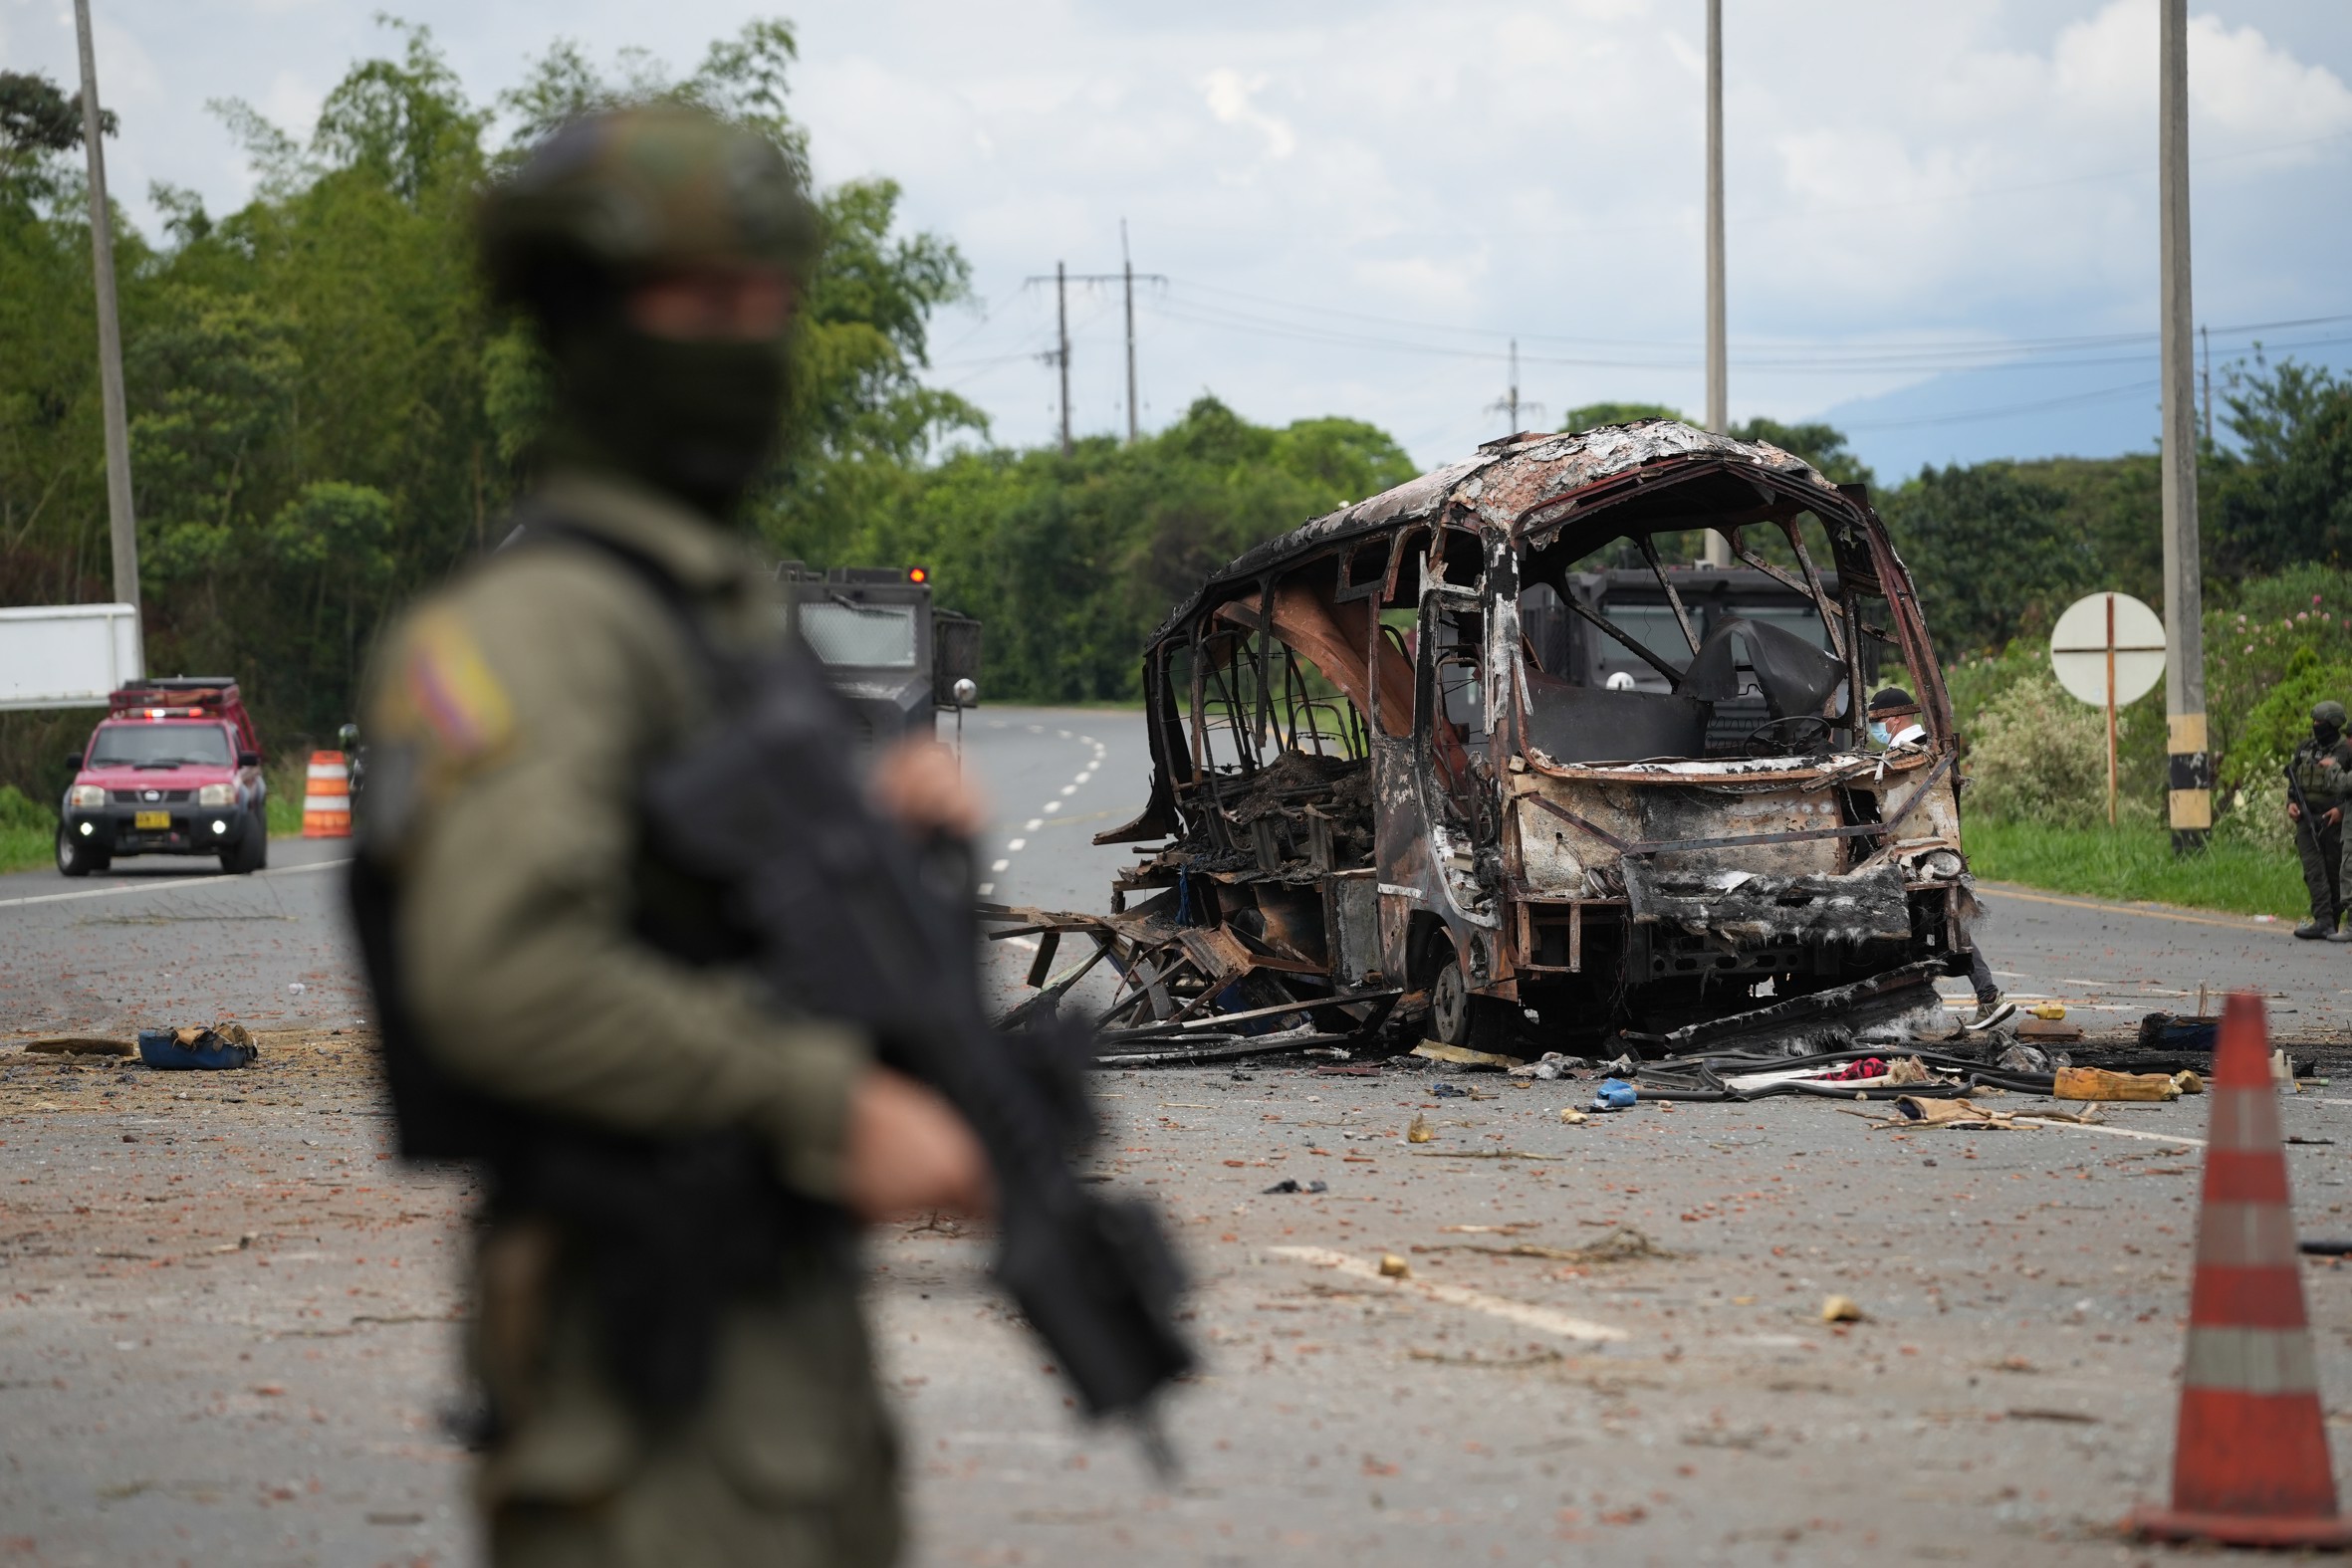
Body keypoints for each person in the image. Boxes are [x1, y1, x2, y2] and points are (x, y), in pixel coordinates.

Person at [354, 106, 989, 1567]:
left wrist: (877, 831)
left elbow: (696, 892)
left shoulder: (703, 609)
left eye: (769, 303)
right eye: (705, 304)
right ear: (586, 321)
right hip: (637, 1346)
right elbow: (506, 971)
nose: (749, 341)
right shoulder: (534, 627)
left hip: (775, 1345)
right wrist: (824, 1102)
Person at [2287, 699, 2352, 941]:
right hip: (2306, 817)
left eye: (2320, 722)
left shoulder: (2346, 750)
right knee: (2313, 870)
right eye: (2314, 722)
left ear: (2333, 724)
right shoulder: (2305, 748)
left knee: (2336, 871)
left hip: (2333, 820)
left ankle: (2335, 920)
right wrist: (2290, 803)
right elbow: (2293, 780)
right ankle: (2323, 920)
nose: (2316, 726)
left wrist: (2341, 811)